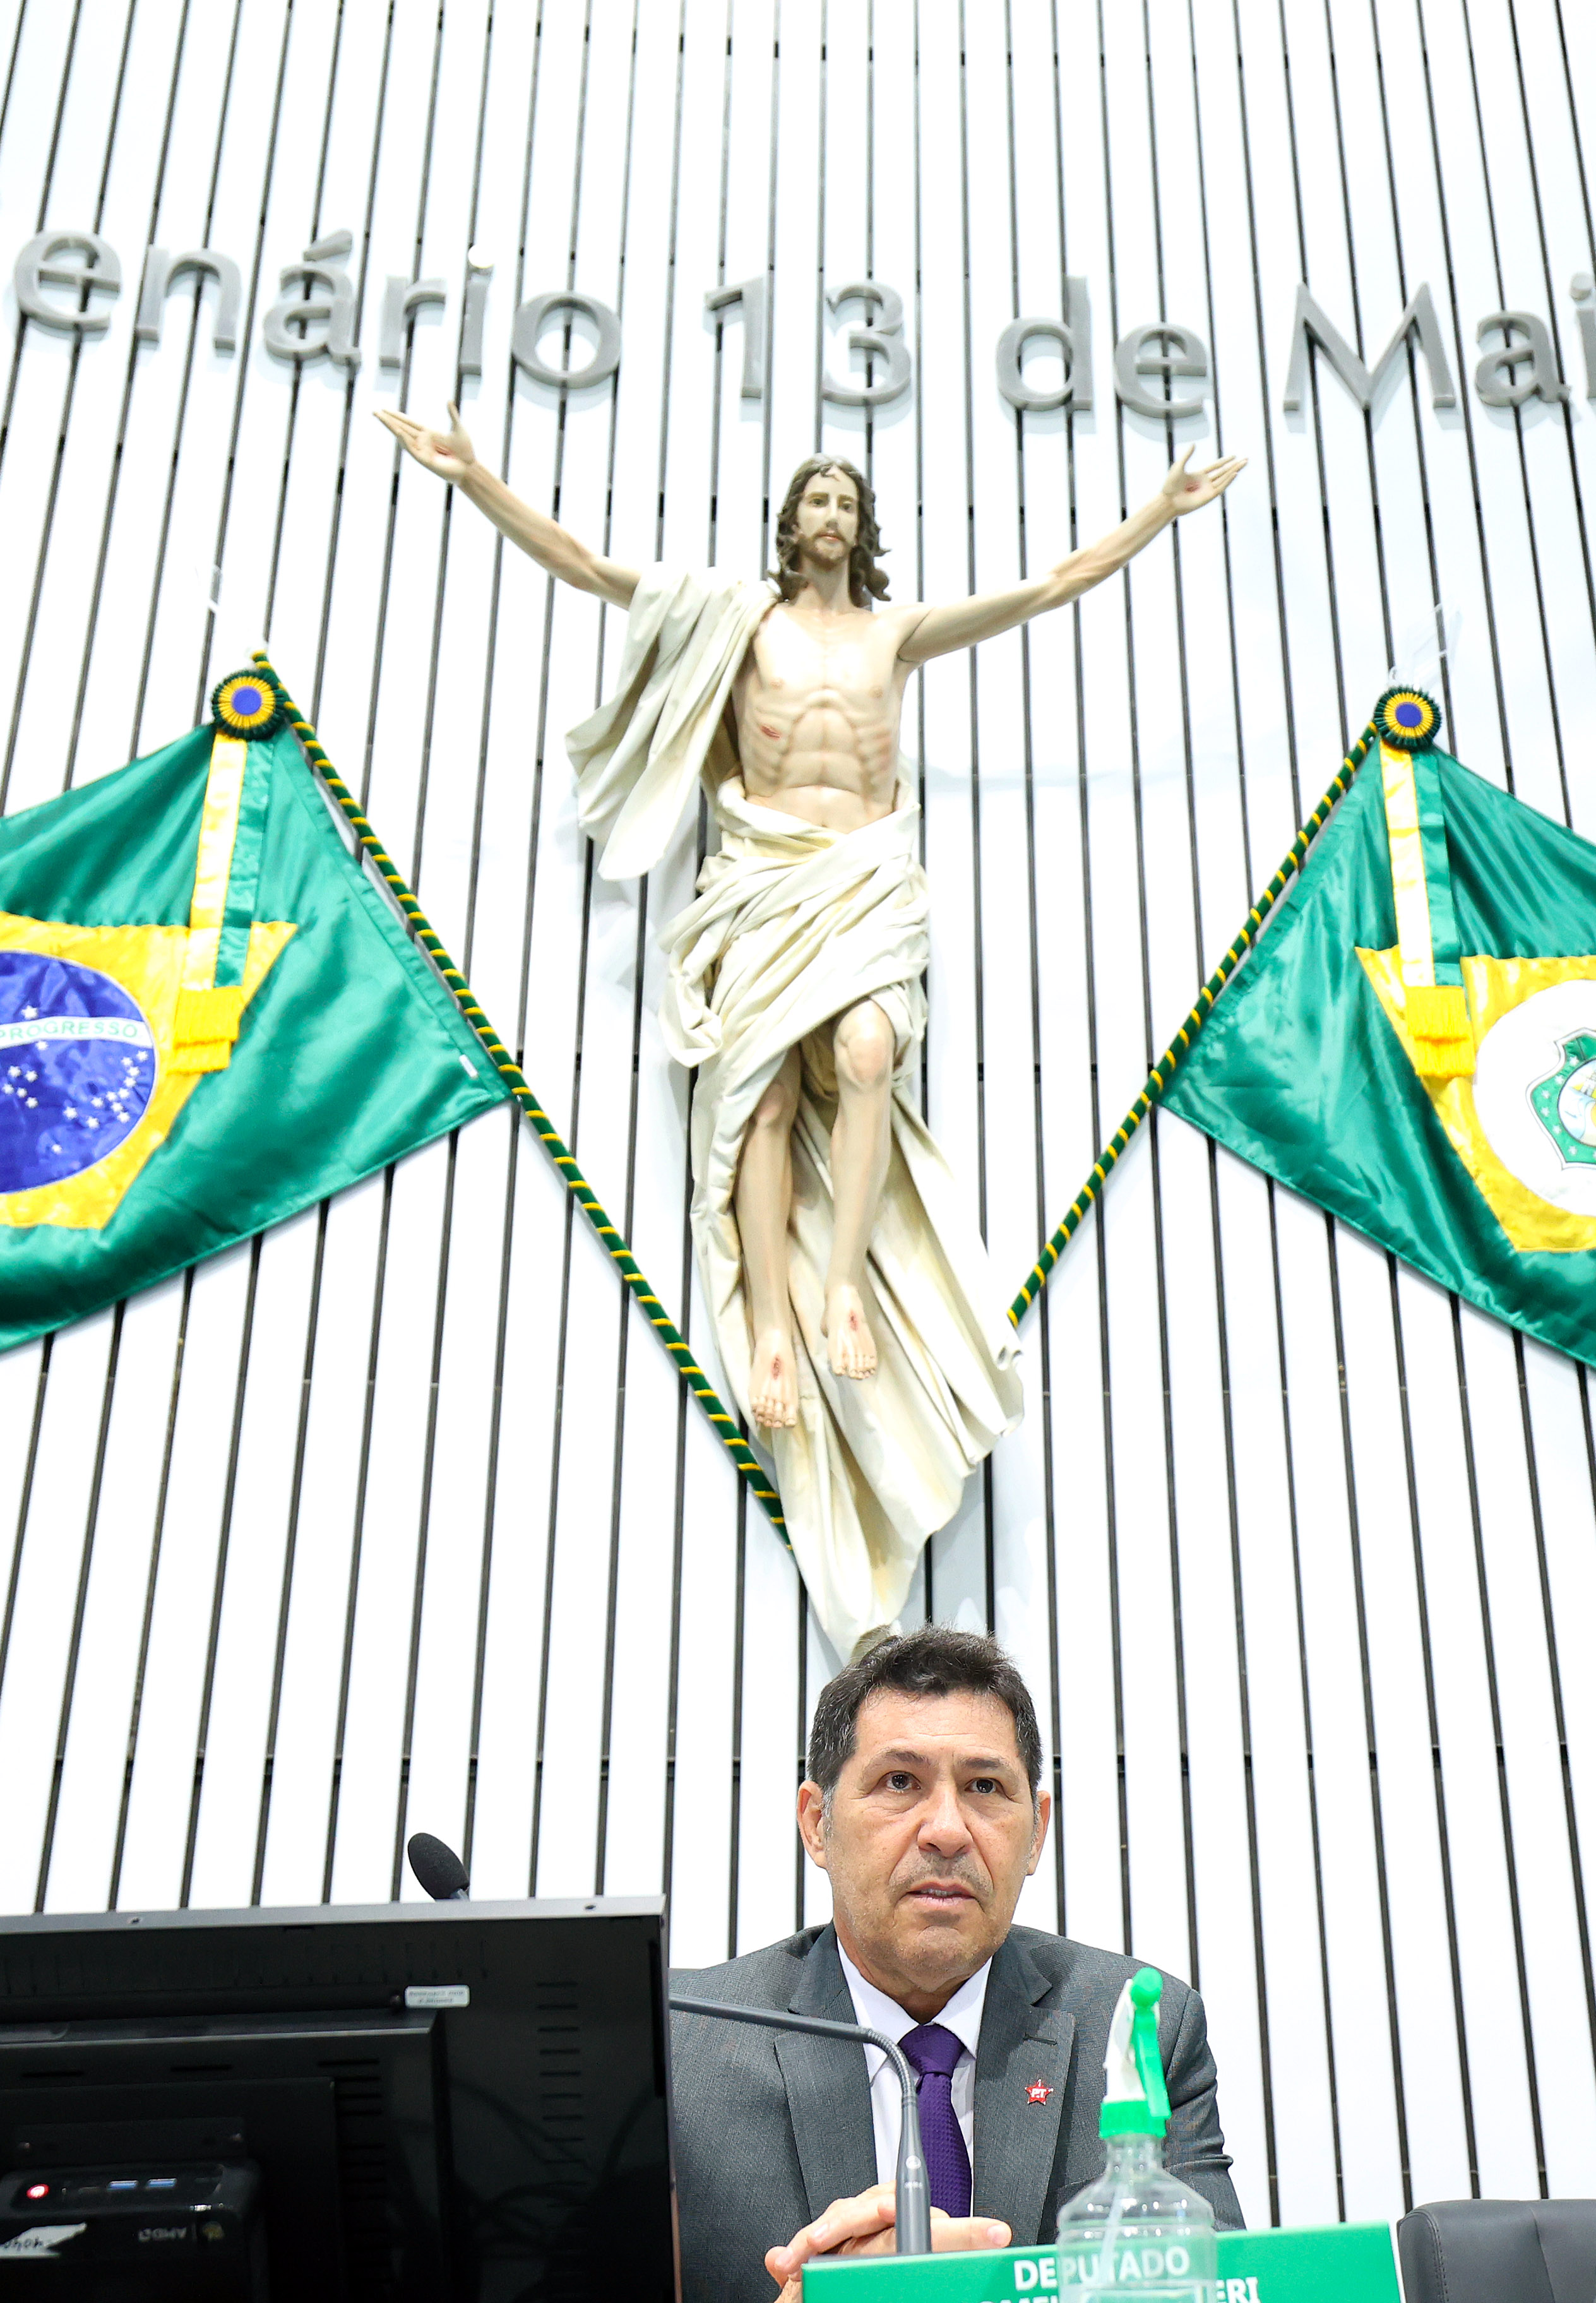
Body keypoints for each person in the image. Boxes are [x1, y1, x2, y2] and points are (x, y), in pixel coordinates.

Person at [379, 407, 1239, 1651]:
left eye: (847, 500)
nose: (830, 514)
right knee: (766, 1101)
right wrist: (476, 478)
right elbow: (584, 564)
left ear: (862, 527)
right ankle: (774, 1324)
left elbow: (1051, 587)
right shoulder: (739, 622)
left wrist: (1156, 513)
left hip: (869, 877)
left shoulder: (897, 632)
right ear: (789, 526)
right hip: (764, 876)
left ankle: (841, 1290)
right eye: (814, 499)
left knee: (871, 1054)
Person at [667, 1627, 1241, 2303]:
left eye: (985, 1786)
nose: (947, 1830)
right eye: (900, 1781)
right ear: (817, 1822)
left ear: (1037, 1830)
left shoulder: (1137, 2027)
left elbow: (1216, 2287)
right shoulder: (681, 2046)